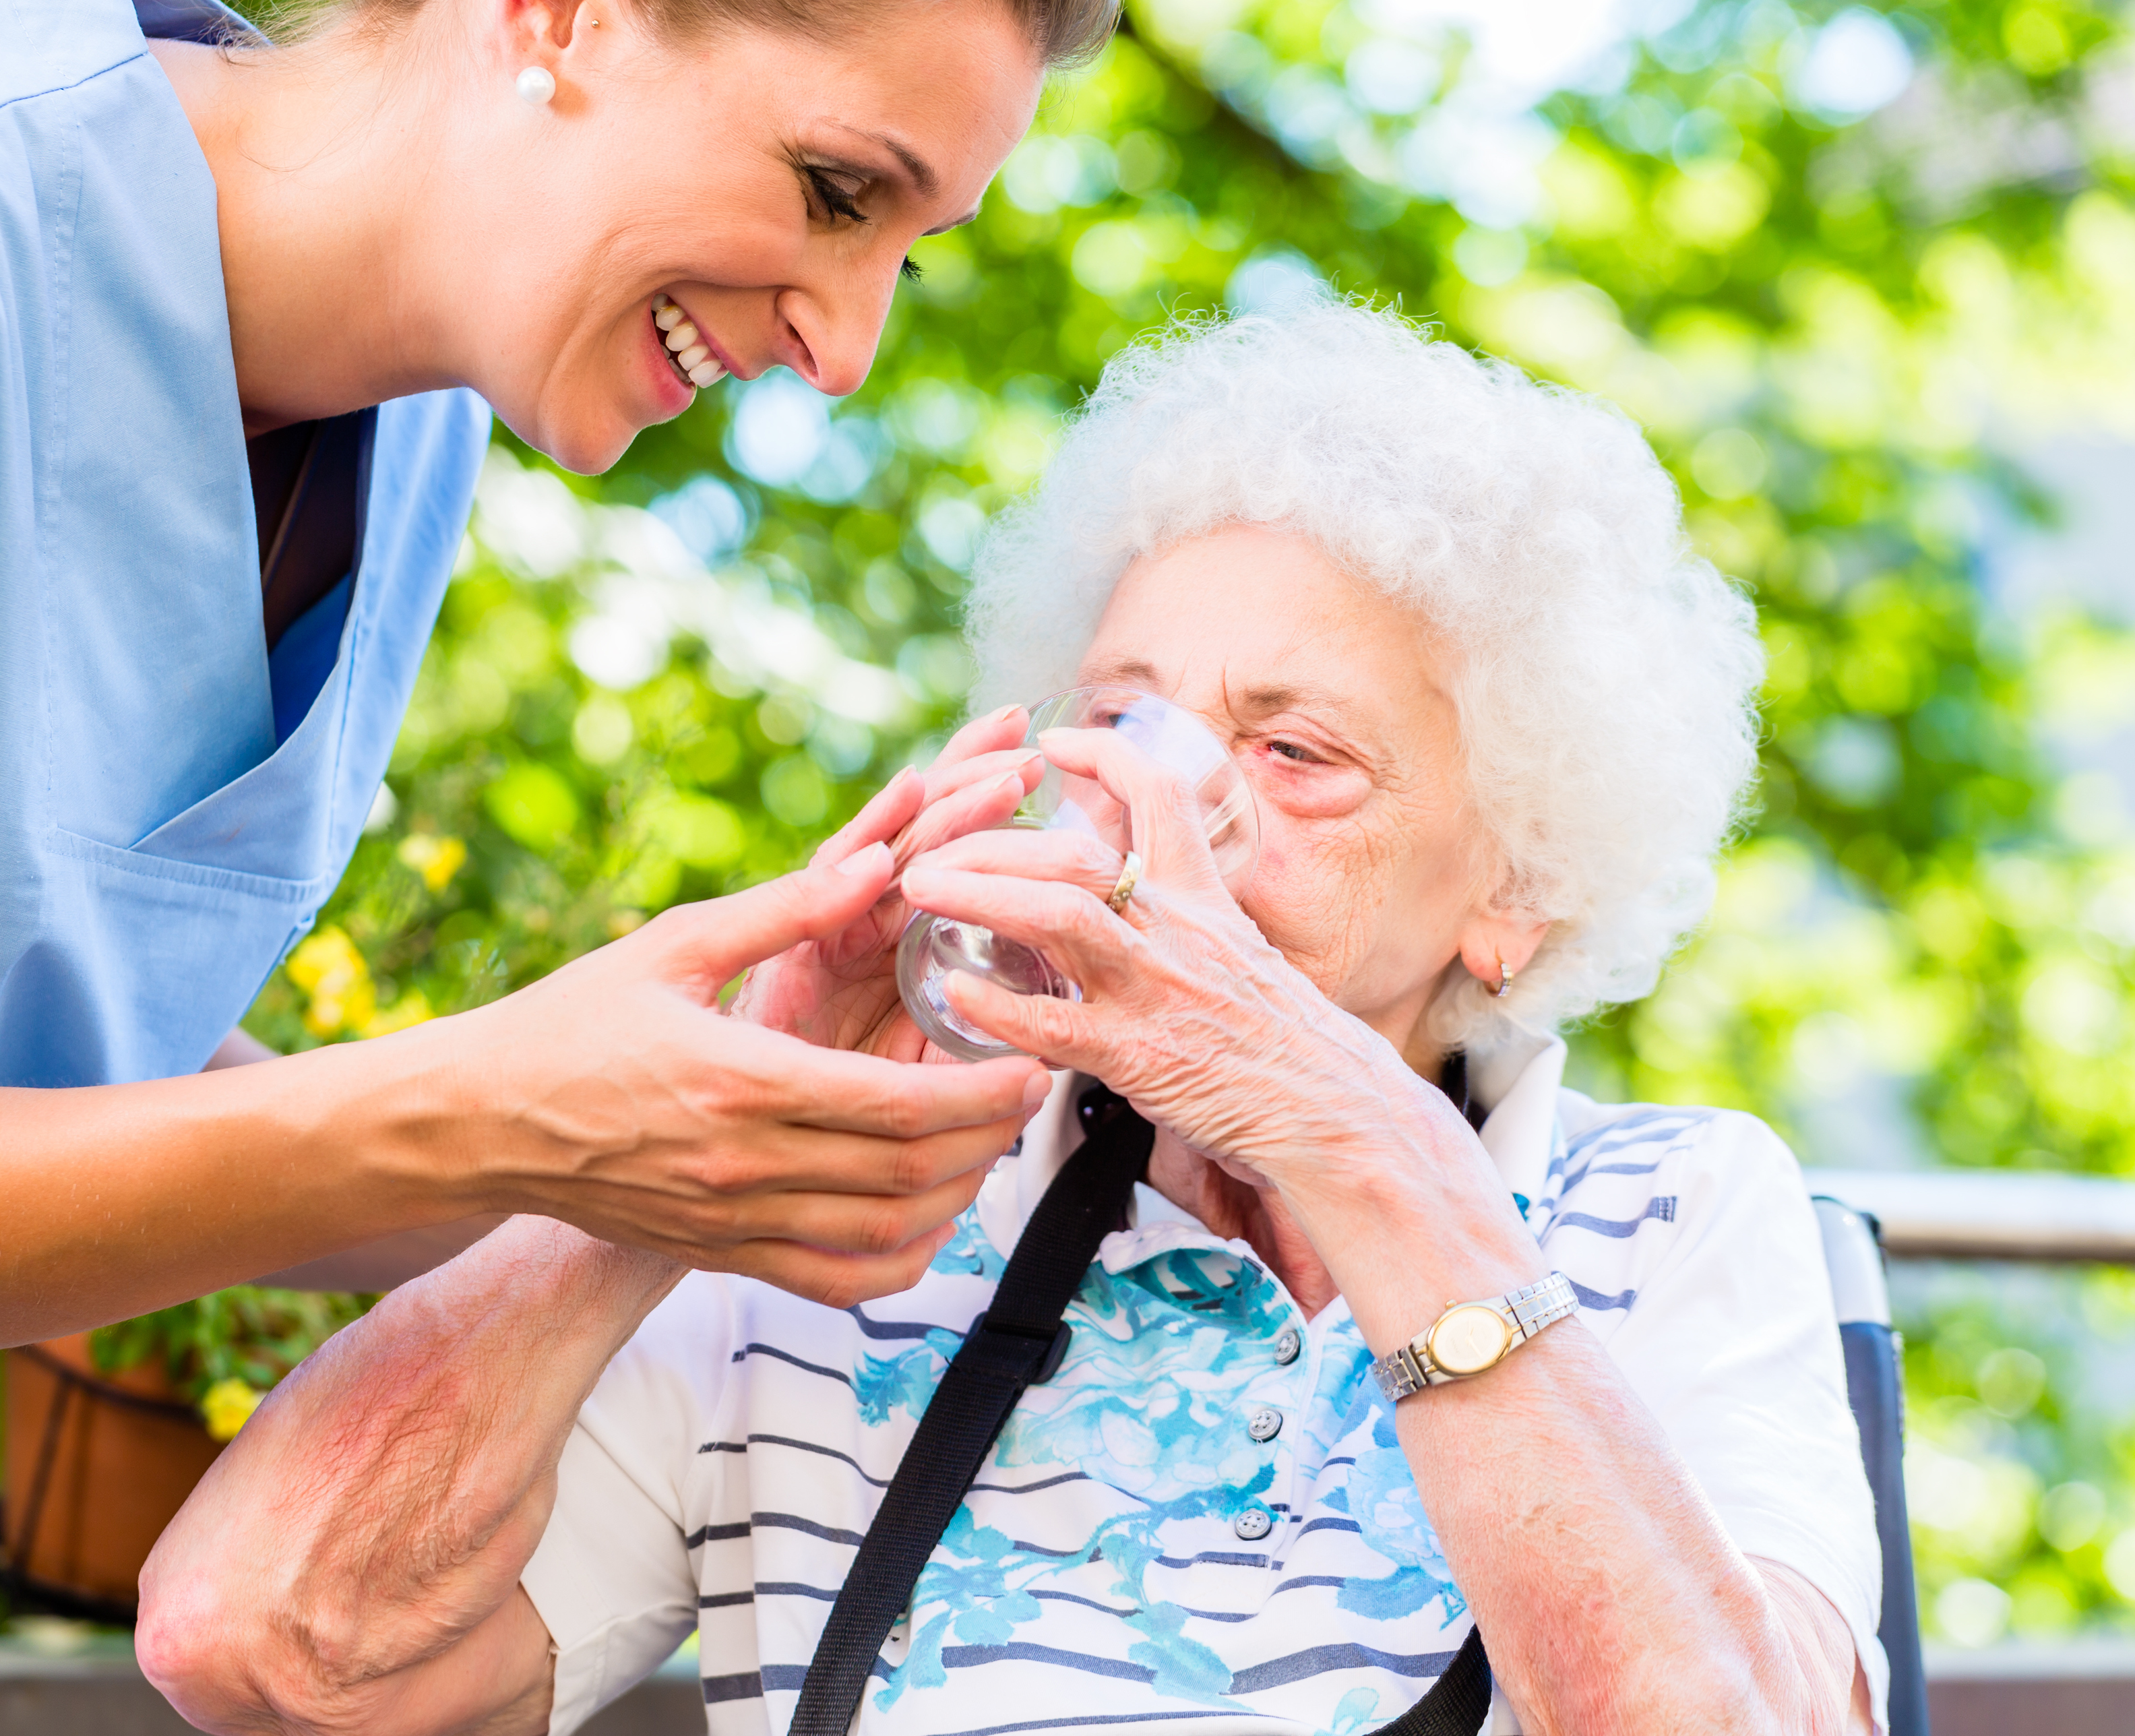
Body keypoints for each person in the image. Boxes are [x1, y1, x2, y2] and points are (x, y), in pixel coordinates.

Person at [0, 0, 1114, 1723]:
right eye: (840, 193)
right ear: (560, 20)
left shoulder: (417, 428)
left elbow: (13, 1065)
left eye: (909, 262)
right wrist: (497, 1111)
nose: (848, 351)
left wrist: (682, 1135)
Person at [136, 297, 1888, 1736]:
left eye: (1292, 755)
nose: (1167, 800)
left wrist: (1339, 1123)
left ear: (1515, 894)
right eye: (1120, 719)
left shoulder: (1666, 1221)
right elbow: (259, 1642)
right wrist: (706, 1136)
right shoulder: (846, 1239)